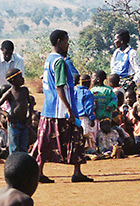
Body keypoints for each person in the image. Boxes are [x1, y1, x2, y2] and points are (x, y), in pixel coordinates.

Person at [31, 30, 92, 183]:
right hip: (61, 110)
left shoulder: (49, 59)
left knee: (46, 140)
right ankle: (76, 172)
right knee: (75, 136)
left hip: (49, 107)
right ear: (59, 41)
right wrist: (70, 110)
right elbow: (60, 86)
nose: (68, 44)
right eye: (66, 41)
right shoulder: (59, 62)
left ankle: (40, 171)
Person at [0, 68, 34, 154]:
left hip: (24, 121)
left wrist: (30, 116)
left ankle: (22, 164)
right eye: (20, 77)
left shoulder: (25, 90)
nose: (23, 79)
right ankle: (14, 163)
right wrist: (6, 115)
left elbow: (30, 104)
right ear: (13, 80)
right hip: (14, 123)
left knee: (24, 146)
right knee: (14, 147)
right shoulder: (10, 93)